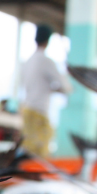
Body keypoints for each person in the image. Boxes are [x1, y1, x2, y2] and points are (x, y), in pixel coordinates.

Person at [19, 24, 71, 156]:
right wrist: (54, 89)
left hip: (27, 109)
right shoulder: (46, 61)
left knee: (28, 149)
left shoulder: (28, 61)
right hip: (39, 111)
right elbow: (65, 87)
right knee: (40, 153)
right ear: (48, 41)